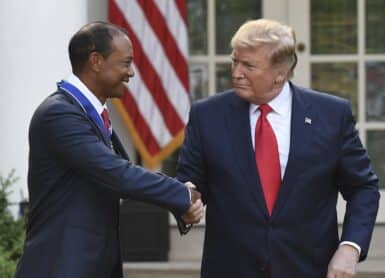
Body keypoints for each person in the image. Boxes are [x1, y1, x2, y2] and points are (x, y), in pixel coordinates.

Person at [177, 19, 380, 278]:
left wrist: (350, 247)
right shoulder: (207, 115)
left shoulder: (331, 114)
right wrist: (187, 202)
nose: (236, 72)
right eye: (234, 61)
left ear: (280, 74)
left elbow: (363, 187)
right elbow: (189, 182)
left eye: (248, 65)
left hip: (309, 268)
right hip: (231, 268)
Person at [15, 21, 203, 278]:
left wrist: (179, 206)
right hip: (60, 267)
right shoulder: (59, 114)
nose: (131, 73)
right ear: (96, 61)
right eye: (125, 63)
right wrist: (182, 195)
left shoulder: (91, 115)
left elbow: (124, 179)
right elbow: (118, 174)